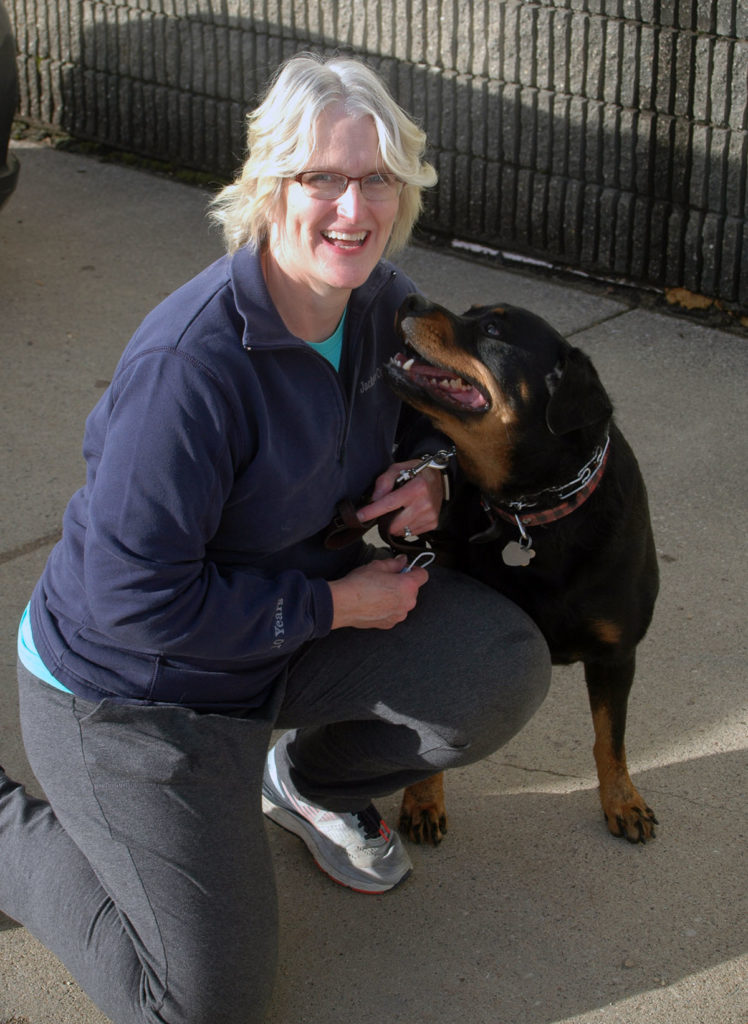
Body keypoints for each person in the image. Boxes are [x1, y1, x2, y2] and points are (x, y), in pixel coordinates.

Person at [0, 53, 550, 1024]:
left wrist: (427, 474)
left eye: (376, 176)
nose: (352, 207)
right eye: (321, 178)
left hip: (275, 644)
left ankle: (304, 783)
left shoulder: (383, 305)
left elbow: (445, 420)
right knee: (201, 1006)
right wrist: (339, 602)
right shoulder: (191, 367)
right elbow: (139, 603)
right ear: (266, 188)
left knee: (497, 666)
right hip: (136, 694)